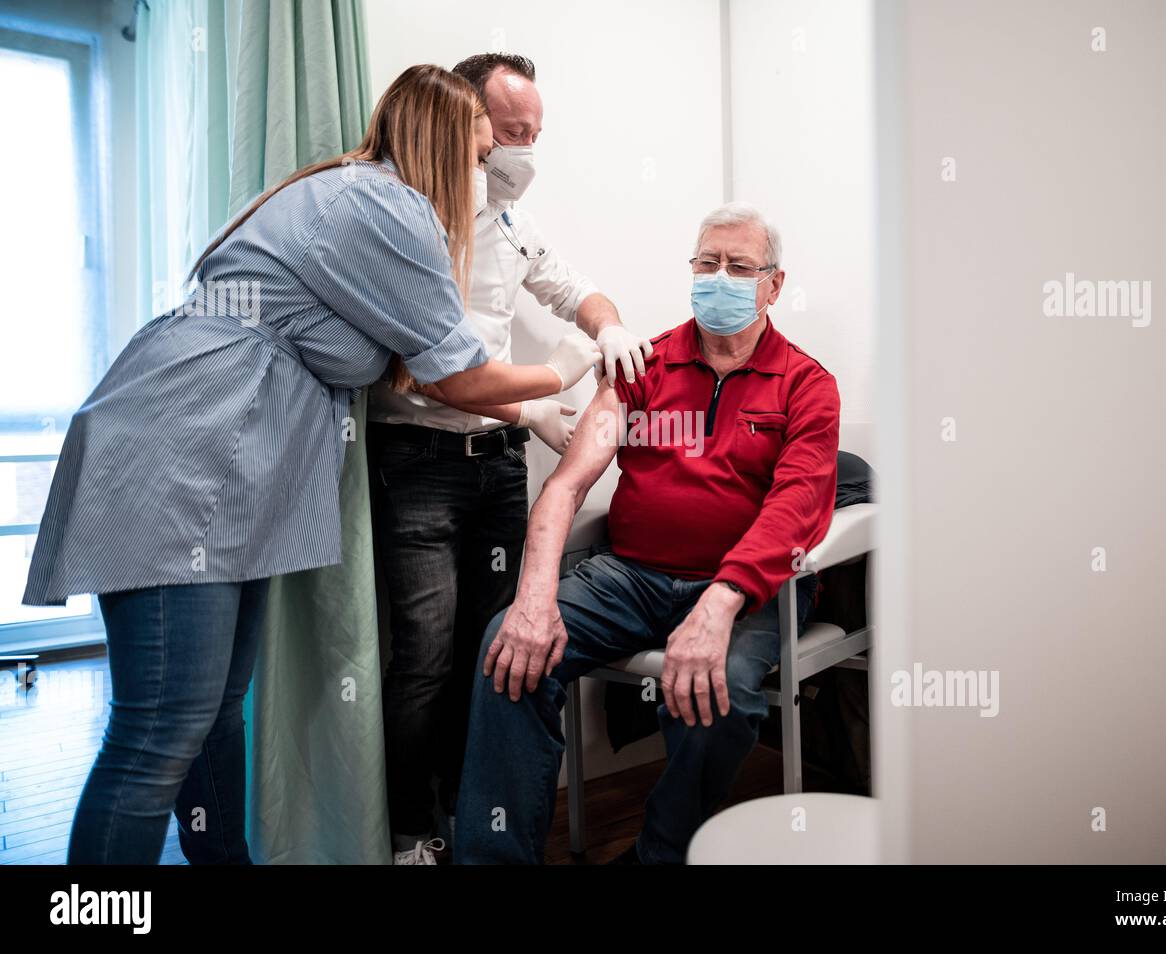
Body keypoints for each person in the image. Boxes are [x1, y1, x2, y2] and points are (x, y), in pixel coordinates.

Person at [22, 64, 601, 865]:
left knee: (218, 712)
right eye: (476, 155)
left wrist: (528, 405)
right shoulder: (387, 207)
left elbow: (407, 362)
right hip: (186, 445)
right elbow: (455, 374)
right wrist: (561, 372)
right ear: (439, 146)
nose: (484, 175)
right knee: (160, 730)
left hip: (234, 464)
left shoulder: (364, 198)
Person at [453, 202, 841, 864]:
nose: (719, 276)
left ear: (774, 284)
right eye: (707, 263)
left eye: (740, 266)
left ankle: (658, 855)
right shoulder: (643, 367)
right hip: (629, 575)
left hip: (744, 588)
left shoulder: (807, 385)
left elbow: (795, 506)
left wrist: (721, 602)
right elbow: (566, 486)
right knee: (506, 651)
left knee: (722, 695)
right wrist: (534, 599)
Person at [367, 53, 651, 864]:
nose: (522, 149)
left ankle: (473, 820)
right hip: (418, 462)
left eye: (535, 134)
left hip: (493, 467)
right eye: (510, 132)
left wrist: (608, 330)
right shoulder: (411, 221)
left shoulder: (511, 224)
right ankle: (412, 835)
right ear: (468, 122)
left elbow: (577, 292)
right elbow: (431, 377)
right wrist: (538, 404)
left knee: (491, 650)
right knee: (423, 656)